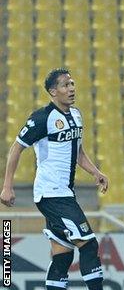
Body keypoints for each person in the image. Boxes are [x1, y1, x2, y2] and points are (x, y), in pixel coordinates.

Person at [1, 68, 109, 290]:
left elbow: (77, 151)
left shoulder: (76, 115)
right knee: (89, 245)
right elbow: (16, 149)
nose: (71, 88)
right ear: (53, 91)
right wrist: (7, 187)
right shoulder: (42, 118)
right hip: (51, 193)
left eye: (71, 84)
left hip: (64, 193)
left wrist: (96, 173)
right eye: (64, 85)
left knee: (63, 255)